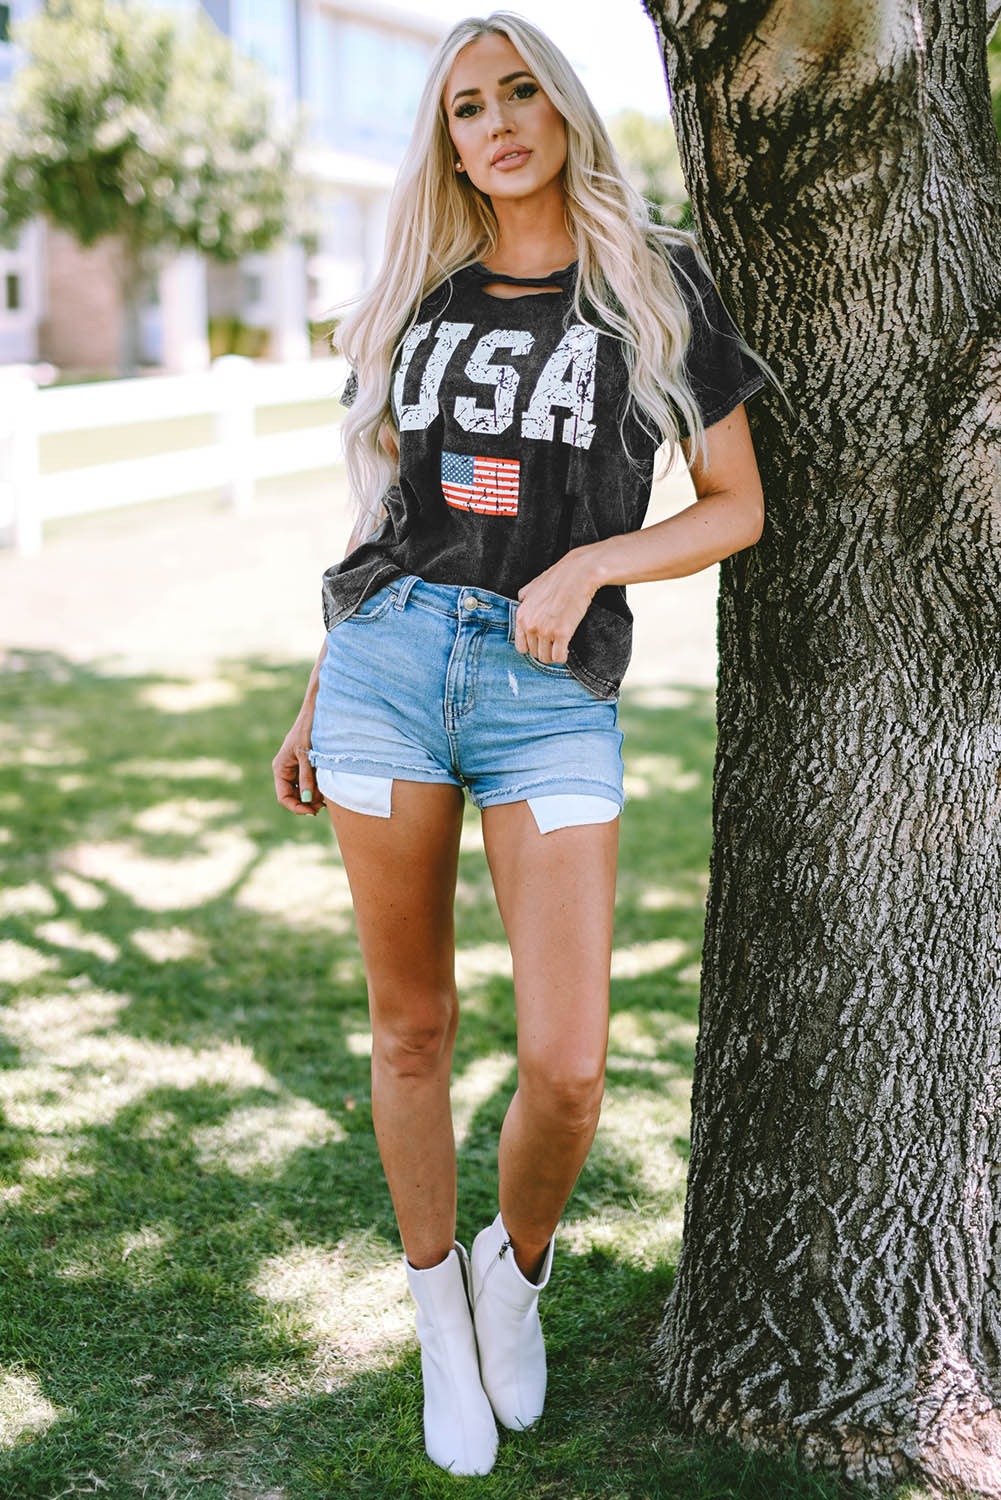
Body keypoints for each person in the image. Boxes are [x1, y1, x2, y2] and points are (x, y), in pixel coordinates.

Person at [272, 9, 785, 1479]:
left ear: (560, 110)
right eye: (462, 108)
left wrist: (590, 565)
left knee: (565, 1063)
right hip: (385, 666)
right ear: (444, 142)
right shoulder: (417, 296)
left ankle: (517, 1266)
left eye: (516, 94)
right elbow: (383, 522)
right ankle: (438, 1307)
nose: (493, 123)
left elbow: (733, 502)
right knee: (411, 1029)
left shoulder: (652, 283)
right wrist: (321, 689)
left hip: (547, 688)